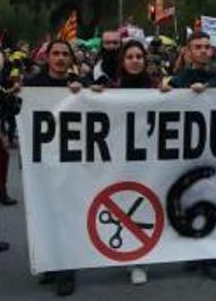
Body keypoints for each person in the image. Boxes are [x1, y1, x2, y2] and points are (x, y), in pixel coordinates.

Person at [91, 40, 165, 285]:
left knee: (144, 205)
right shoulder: (113, 87)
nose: (135, 60)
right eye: (130, 56)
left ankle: (139, 260)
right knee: (122, 203)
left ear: (145, 60)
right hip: (119, 158)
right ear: (123, 61)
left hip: (149, 158)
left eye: (139, 56)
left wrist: (173, 94)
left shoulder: (157, 87)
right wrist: (94, 96)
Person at [23, 40, 86, 296]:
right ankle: (51, 263)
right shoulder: (32, 86)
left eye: (65, 54)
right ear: (47, 57)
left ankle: (66, 270)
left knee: (66, 215)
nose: (60, 58)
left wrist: (84, 92)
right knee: (44, 213)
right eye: (56, 54)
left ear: (71, 59)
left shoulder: (78, 86)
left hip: (70, 162)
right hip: (42, 161)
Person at [168, 32, 216, 280]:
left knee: (210, 201)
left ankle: (209, 257)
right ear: (188, 51)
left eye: (207, 47)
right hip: (184, 153)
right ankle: (193, 251)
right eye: (198, 47)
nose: (204, 51)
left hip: (213, 155)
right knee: (186, 201)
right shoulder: (178, 80)